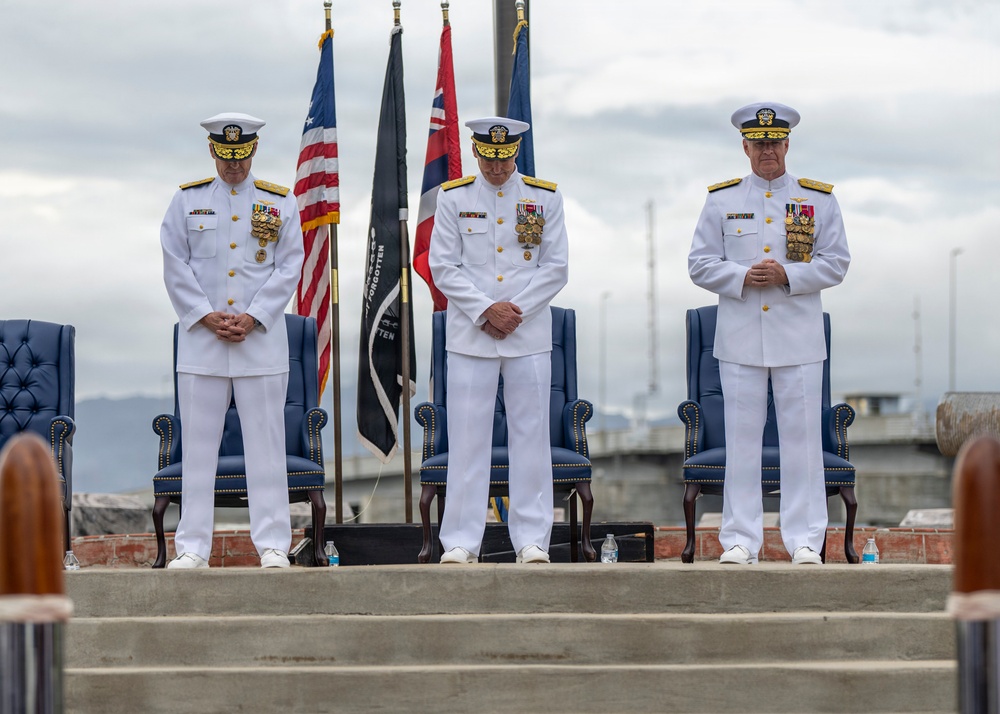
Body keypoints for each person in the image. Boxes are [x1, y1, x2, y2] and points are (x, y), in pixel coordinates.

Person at [688, 102, 850, 565]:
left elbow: (836, 262)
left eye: (774, 143)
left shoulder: (818, 200)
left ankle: (804, 541)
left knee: (802, 442)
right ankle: (740, 539)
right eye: (758, 144)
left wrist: (788, 276)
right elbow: (699, 264)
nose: (767, 151)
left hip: (797, 337)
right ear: (745, 147)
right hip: (740, 337)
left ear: (786, 144)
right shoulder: (721, 200)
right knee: (742, 441)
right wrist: (742, 276)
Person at [160, 112, 304, 569]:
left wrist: (254, 316)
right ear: (213, 151)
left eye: (241, 156)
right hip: (204, 345)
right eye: (226, 156)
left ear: (253, 150)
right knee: (198, 450)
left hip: (259, 344)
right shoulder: (187, 201)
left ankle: (273, 544)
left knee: (266, 447)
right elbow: (173, 262)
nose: (234, 166)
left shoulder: (280, 202)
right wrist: (205, 316)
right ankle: (192, 546)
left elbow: (289, 266)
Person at [428, 117, 570, 565]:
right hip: (472, 336)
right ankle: (460, 541)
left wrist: (513, 312)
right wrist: (486, 310)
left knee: (532, 438)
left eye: (503, 156)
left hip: (527, 335)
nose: (495, 165)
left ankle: (532, 540)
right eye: (488, 157)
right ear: (476, 151)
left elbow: (556, 267)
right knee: (467, 439)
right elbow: (443, 265)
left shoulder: (544, 198)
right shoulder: (454, 197)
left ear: (516, 153)